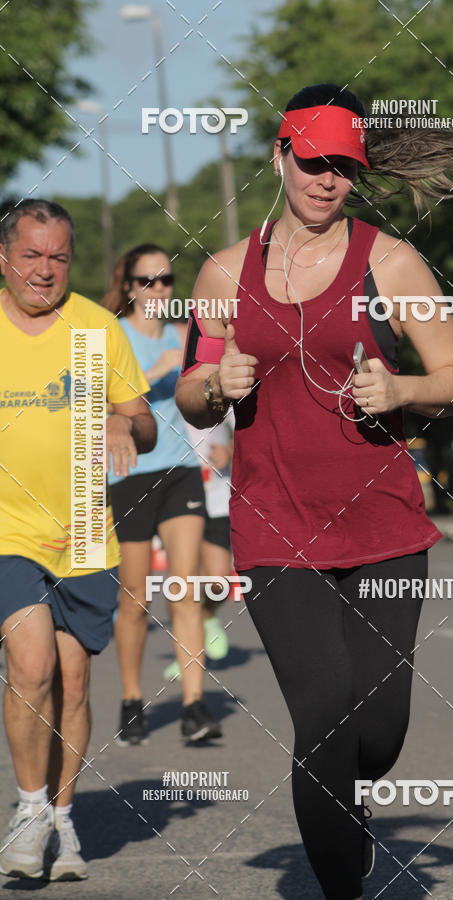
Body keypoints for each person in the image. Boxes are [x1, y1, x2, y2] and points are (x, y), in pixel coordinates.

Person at [175, 84, 453, 900]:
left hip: (383, 525)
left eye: (344, 167)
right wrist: (215, 382)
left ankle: (349, 800)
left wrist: (403, 392)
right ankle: (343, 885)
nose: (326, 181)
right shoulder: (222, 270)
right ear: (279, 156)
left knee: (377, 732)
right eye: (312, 163)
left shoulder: (391, 261)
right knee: (325, 718)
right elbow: (189, 389)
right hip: (274, 524)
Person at [0, 199, 155, 881]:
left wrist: (126, 427)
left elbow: (144, 421)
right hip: (8, 528)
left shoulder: (96, 328)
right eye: (31, 256)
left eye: (58, 257)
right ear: (4, 258)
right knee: (30, 666)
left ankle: (63, 816)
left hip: (88, 528)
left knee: (74, 676)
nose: (45, 270)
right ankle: (29, 813)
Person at [102, 246, 222, 745]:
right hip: (129, 474)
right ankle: (132, 698)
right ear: (129, 286)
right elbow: (100, 402)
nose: (159, 289)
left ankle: (194, 707)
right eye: (147, 280)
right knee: (133, 598)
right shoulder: (115, 335)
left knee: (185, 588)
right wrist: (153, 374)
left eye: (167, 280)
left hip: (180, 470)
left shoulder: (182, 335)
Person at [163, 402, 234, 683]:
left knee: (220, 581)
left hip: (215, 493)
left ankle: (206, 617)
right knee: (182, 580)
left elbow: (247, 427)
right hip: (176, 494)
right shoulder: (164, 380)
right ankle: (185, 656)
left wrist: (230, 450)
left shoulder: (214, 380)